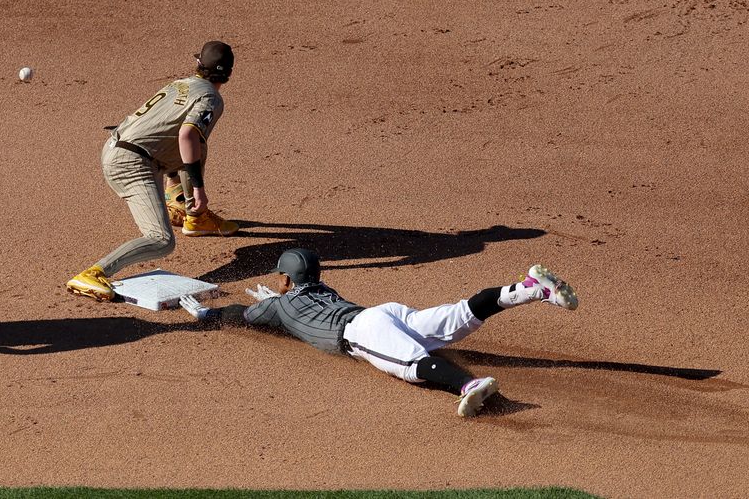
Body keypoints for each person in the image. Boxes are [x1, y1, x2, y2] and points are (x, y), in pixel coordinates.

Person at [179, 248, 579, 417]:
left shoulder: (278, 304)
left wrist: (206, 315)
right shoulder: (321, 288)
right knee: (458, 314)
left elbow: (241, 314)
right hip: (384, 312)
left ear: (284, 279)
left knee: (411, 364)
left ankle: (468, 385)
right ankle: (527, 289)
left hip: (362, 330)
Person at [66, 41, 239, 301]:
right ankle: (94, 273)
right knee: (161, 240)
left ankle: (192, 214)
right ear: (228, 74)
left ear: (198, 65)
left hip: (123, 146)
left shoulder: (179, 84)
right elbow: (187, 134)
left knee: (196, 146)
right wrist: (199, 189)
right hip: (132, 164)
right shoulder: (211, 98)